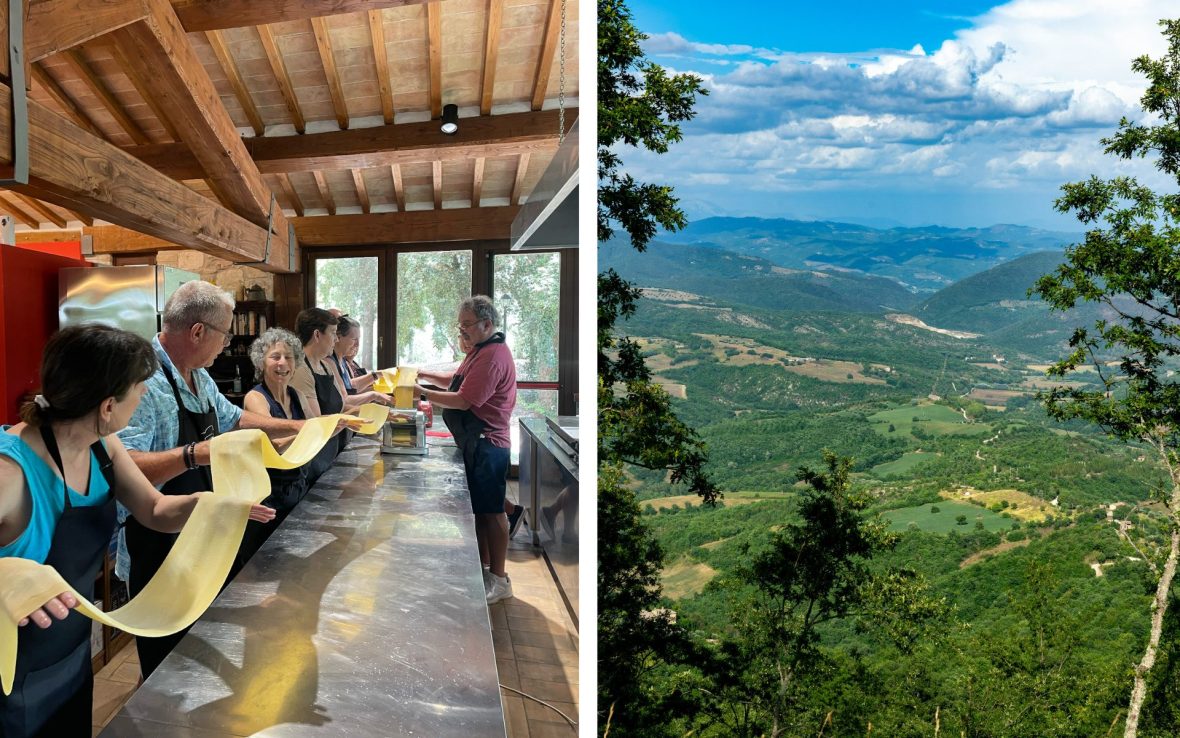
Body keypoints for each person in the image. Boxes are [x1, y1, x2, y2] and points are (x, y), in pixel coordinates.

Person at [0, 325, 275, 737]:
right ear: (108, 405)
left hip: (69, 651)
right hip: (12, 666)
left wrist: (208, 506)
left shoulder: (102, 446)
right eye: (139, 387)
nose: (145, 394)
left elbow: (155, 509)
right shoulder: (11, 472)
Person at [116, 280, 303, 679]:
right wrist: (195, 454)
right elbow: (122, 464)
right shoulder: (139, 378)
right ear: (198, 331)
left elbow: (234, 418)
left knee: (200, 646)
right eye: (225, 333)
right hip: (157, 542)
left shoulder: (198, 376)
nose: (226, 343)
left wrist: (297, 428)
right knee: (167, 662)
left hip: (203, 531)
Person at [416, 295, 517, 604]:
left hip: (488, 443)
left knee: (493, 511)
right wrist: (425, 374)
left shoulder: (493, 356)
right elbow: (458, 380)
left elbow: (463, 399)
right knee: (481, 511)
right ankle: (484, 568)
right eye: (460, 325)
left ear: (487, 324)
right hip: (477, 443)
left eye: (467, 325)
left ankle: (499, 580)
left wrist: (420, 392)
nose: (462, 331)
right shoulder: (480, 351)